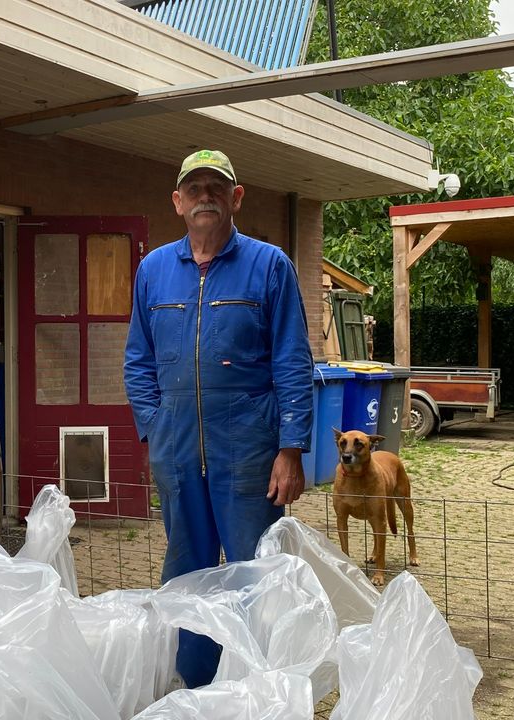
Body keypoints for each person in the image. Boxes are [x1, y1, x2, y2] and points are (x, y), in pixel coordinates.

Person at [123, 149, 313, 688]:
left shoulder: (269, 265)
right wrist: (155, 427)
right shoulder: (153, 269)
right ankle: (195, 684)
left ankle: (254, 685)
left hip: (250, 449)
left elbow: (293, 360)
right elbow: (137, 359)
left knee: (255, 572)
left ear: (236, 197)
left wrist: (290, 447)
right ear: (178, 201)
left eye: (216, 186)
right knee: (189, 570)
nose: (205, 195)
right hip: (178, 447)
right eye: (194, 187)